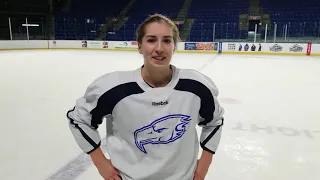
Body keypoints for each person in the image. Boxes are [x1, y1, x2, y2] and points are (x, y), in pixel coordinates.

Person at [67, 13, 225, 180]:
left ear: (174, 46)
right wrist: (101, 163)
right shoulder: (114, 88)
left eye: (166, 40)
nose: (159, 48)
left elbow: (215, 121)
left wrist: (205, 163)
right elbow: (79, 120)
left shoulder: (196, 86)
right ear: (140, 47)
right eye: (151, 40)